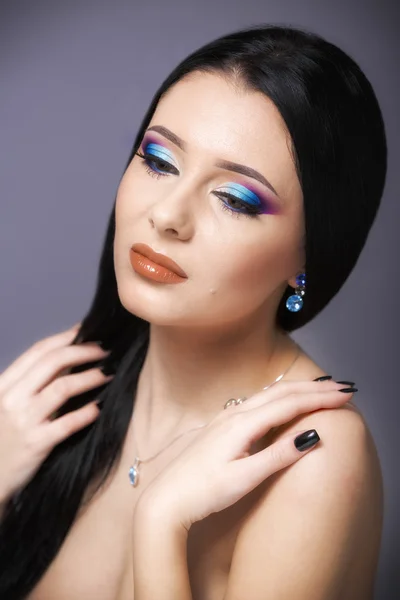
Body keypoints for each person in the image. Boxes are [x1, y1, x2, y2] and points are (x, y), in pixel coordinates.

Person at [0, 23, 386, 600]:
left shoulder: (314, 456)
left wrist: (160, 526)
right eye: (159, 160)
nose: (168, 216)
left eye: (234, 198)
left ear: (307, 255)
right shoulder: (66, 390)